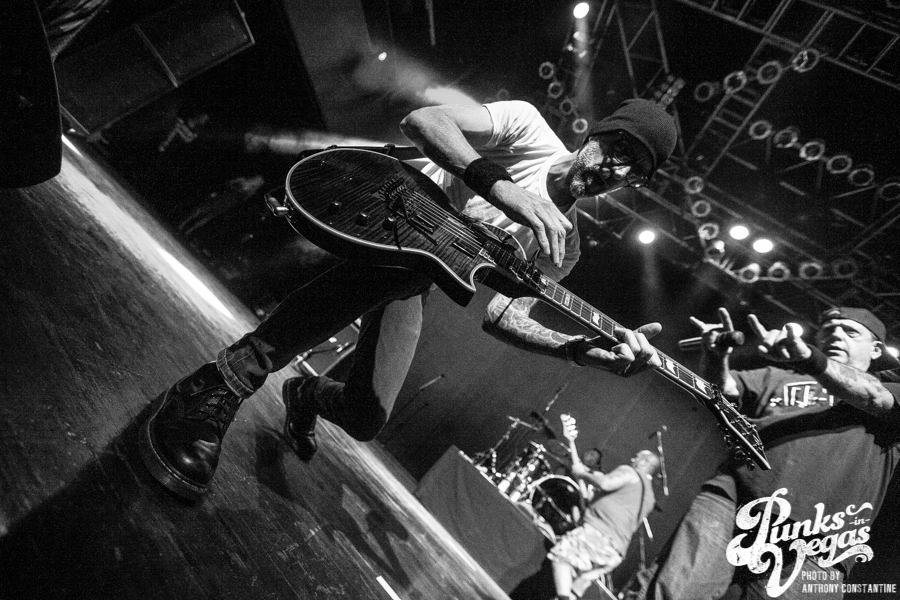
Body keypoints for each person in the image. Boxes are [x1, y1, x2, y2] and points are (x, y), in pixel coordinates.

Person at [139, 98, 678, 501]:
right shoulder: (527, 128)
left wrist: (576, 350)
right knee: (404, 268)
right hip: (375, 205)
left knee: (365, 417)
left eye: (635, 173)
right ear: (598, 133)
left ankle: (305, 395)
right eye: (620, 152)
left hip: (408, 279)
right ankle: (217, 384)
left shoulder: (563, 243)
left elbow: (503, 315)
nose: (618, 172)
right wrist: (502, 187)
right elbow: (424, 121)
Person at [623, 306, 900, 600]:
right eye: (830, 330)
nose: (837, 335)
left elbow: (875, 397)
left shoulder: (890, 389)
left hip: (824, 537)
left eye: (851, 332)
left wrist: (809, 358)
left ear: (876, 349)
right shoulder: (777, 376)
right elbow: (722, 390)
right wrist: (716, 356)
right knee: (671, 592)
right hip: (734, 501)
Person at [549, 449, 659, 600]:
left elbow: (606, 483)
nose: (633, 459)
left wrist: (582, 474)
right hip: (614, 553)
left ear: (645, 462)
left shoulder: (630, 473)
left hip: (598, 536)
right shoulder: (650, 498)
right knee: (578, 582)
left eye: (637, 457)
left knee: (561, 557)